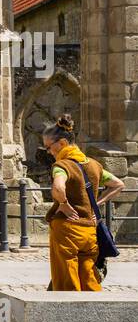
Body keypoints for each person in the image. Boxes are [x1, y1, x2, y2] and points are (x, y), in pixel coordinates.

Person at [43, 113, 124, 291]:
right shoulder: (95, 165)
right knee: (89, 279)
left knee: (67, 281)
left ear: (62, 144)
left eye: (49, 147)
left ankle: (67, 317)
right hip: (89, 231)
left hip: (67, 230)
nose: (49, 152)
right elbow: (118, 184)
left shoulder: (62, 166)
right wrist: (98, 202)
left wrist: (63, 204)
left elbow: (58, 187)